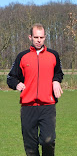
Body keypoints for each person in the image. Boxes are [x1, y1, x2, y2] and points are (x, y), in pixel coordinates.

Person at [7, 23, 64, 156]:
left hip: (47, 106)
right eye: (36, 37)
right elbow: (11, 77)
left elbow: (59, 73)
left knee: (48, 141)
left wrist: (56, 81)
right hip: (28, 107)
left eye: (42, 37)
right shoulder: (22, 56)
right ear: (30, 37)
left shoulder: (53, 55)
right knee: (30, 147)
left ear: (45, 37)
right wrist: (17, 84)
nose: (39, 40)